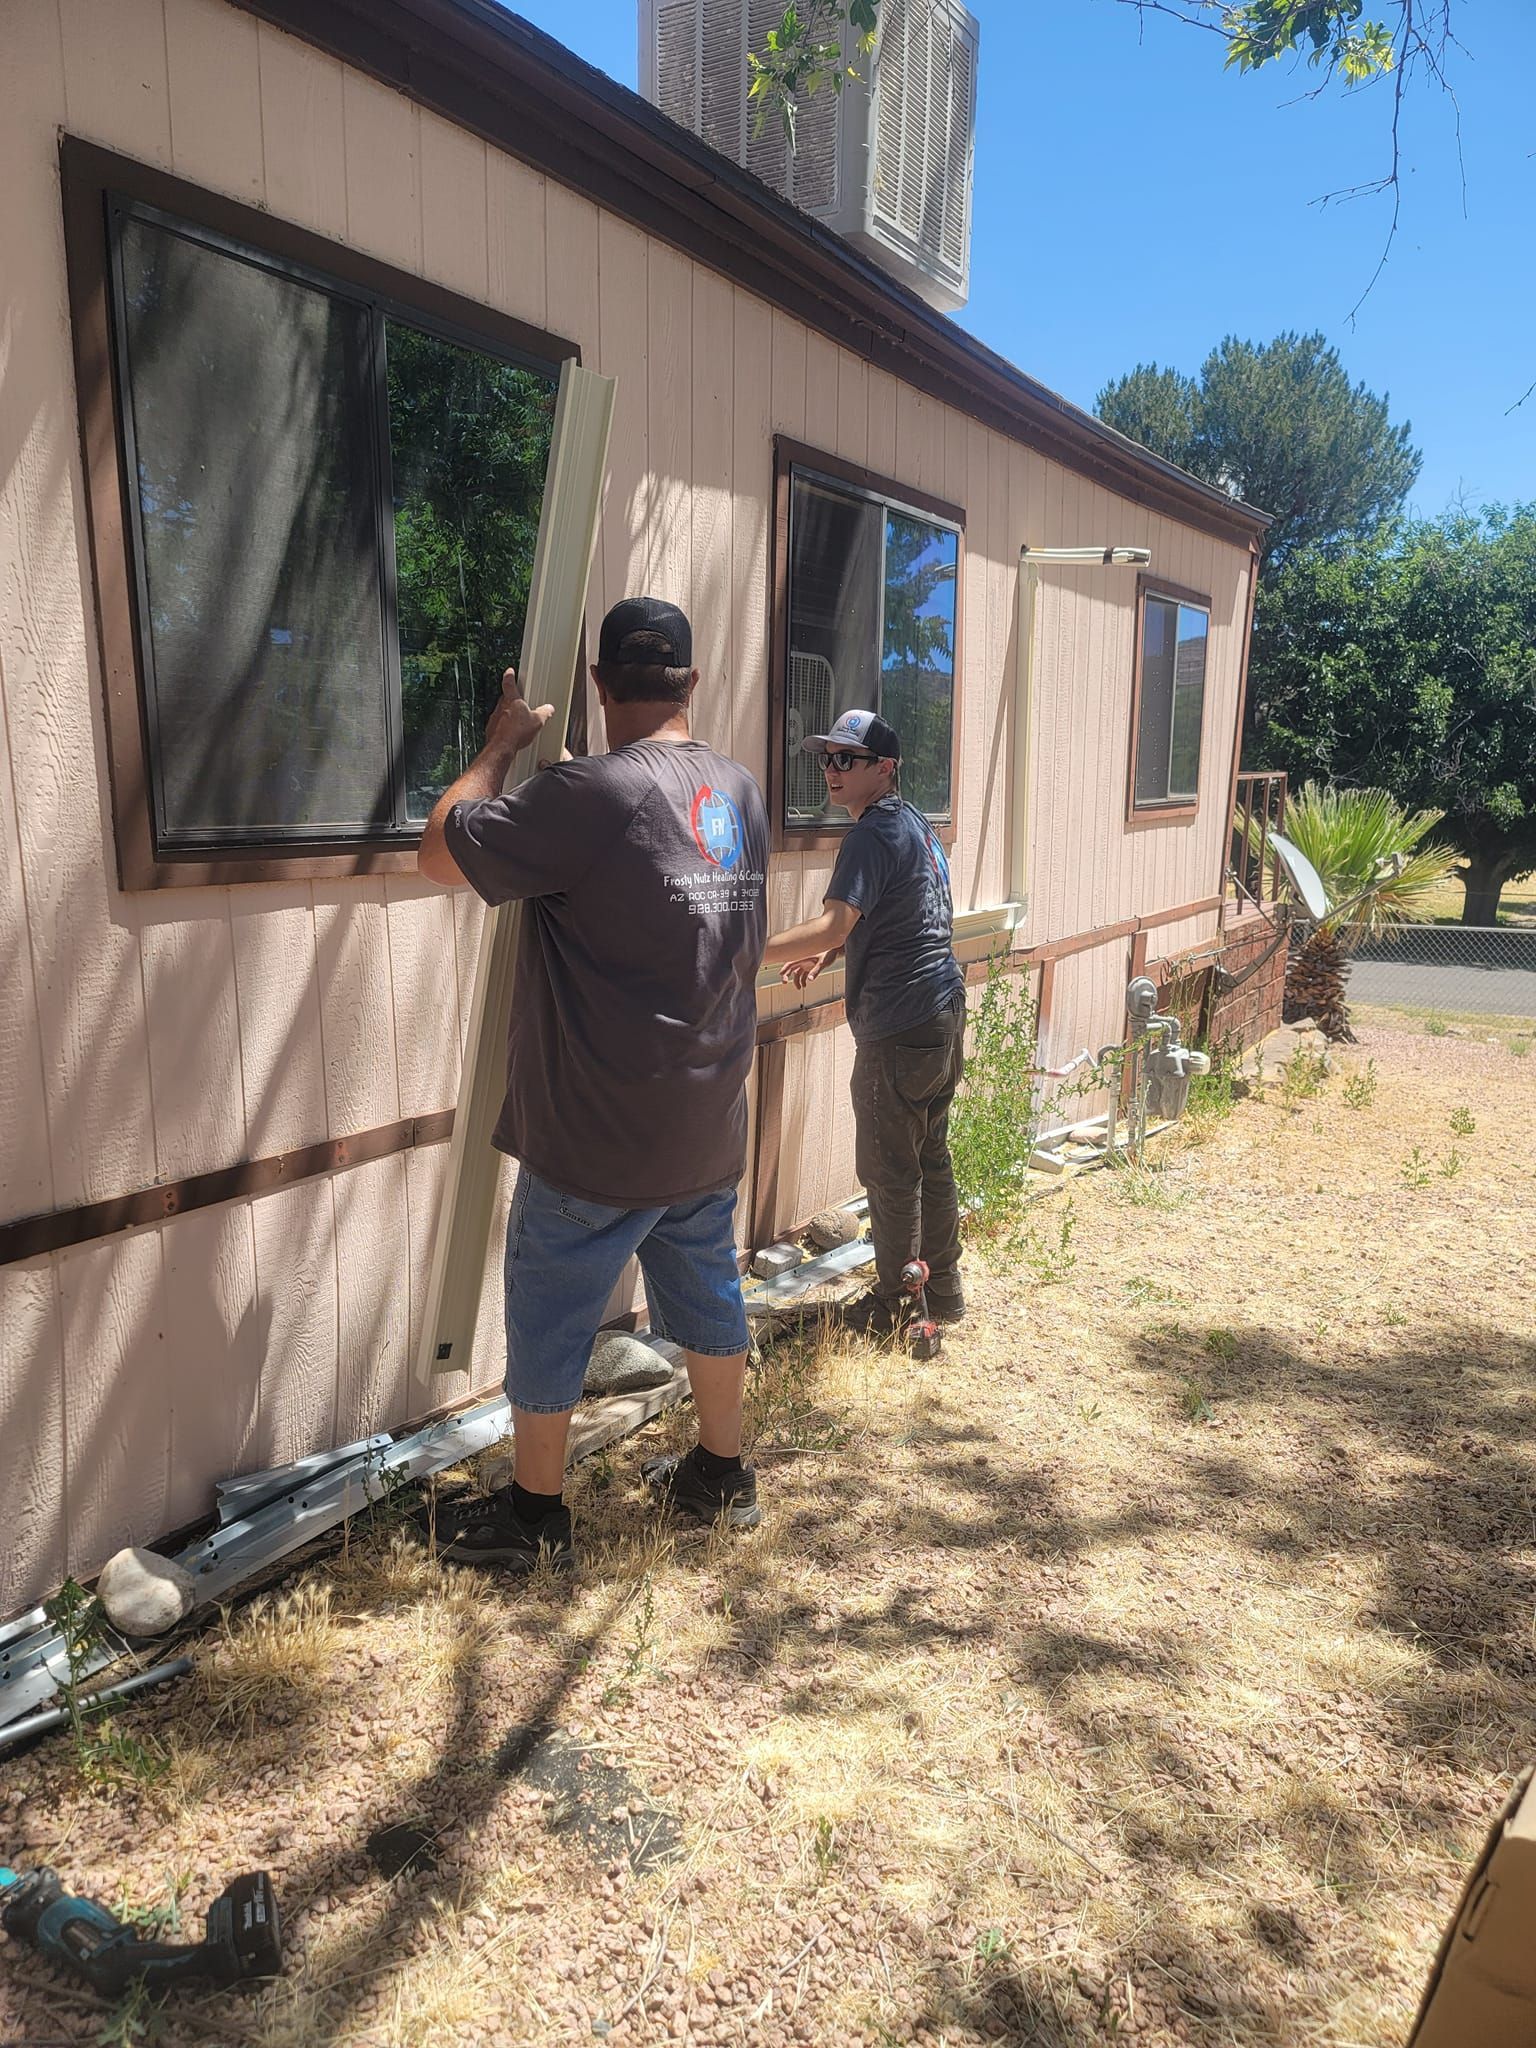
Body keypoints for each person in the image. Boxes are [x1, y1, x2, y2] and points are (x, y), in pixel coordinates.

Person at [416, 598, 769, 1571]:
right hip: (704, 1117)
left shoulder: (591, 792)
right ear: (690, 684)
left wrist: (500, 746)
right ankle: (720, 1474)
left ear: (602, 685)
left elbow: (440, 849)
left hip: (597, 1129)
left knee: (550, 1305)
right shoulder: (736, 792)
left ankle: (533, 1517)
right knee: (705, 1286)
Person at [760, 709, 966, 1335]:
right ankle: (945, 1293)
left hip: (899, 1024)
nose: (831, 769)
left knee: (888, 1168)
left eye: (845, 759)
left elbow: (835, 919)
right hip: (941, 1014)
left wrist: (738, 950)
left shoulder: (871, 834)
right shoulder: (912, 826)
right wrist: (830, 952)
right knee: (929, 1155)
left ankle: (900, 1304)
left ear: (885, 767)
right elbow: (896, 916)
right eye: (826, 758)